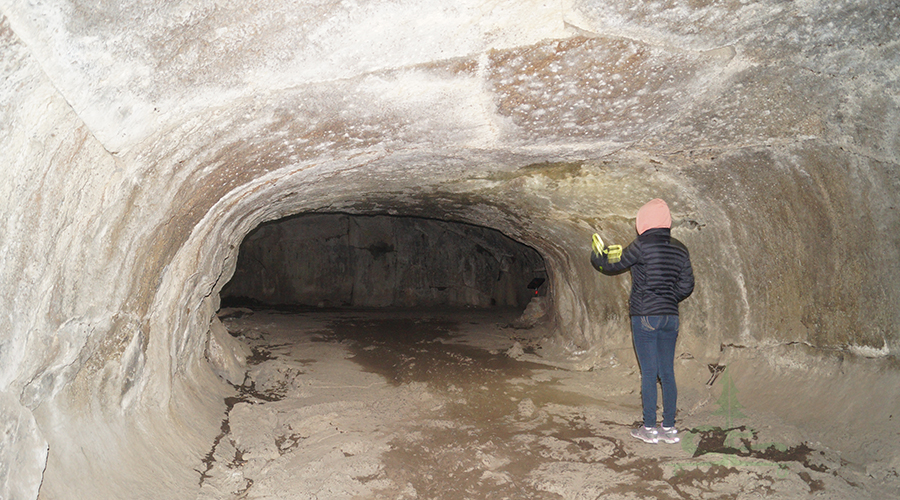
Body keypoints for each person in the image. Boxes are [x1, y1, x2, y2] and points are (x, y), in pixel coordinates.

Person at [590, 198, 694, 444]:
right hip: (670, 317)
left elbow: (612, 265)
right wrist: (668, 299)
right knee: (667, 372)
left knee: (648, 372)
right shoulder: (681, 248)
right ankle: (669, 427)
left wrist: (597, 256)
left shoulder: (641, 245)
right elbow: (687, 285)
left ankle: (649, 427)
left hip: (645, 315)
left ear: (643, 221)